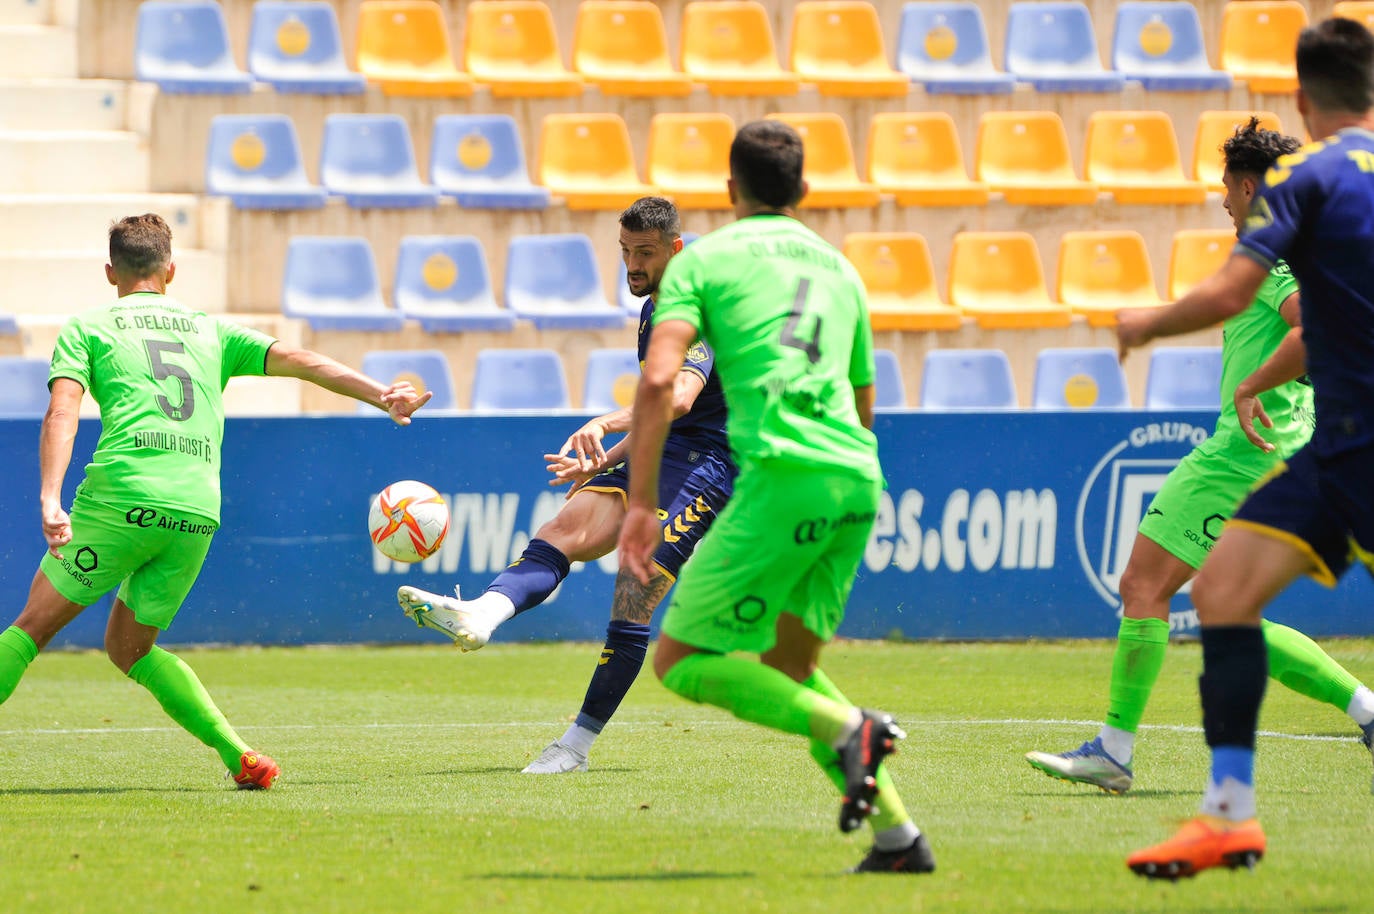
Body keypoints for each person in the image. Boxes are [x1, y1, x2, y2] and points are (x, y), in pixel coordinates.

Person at [0, 213, 430, 790]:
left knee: (31, 627)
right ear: (171, 270)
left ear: (110, 272)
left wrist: (51, 497)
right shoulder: (211, 329)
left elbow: (62, 411)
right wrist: (383, 395)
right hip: (196, 510)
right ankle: (241, 757)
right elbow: (302, 361)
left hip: (121, 498)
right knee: (130, 648)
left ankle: (238, 753)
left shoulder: (88, 326)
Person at [617, 120, 932, 875]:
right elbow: (863, 401)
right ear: (804, 192)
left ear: (730, 191)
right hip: (857, 476)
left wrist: (637, 505)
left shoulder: (706, 261)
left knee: (681, 660)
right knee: (787, 666)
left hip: (781, 476)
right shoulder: (840, 269)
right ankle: (898, 838)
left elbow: (662, 382)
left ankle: (853, 726)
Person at [1025, 118, 1374, 795]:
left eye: (1225, 188)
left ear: (1248, 188)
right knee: (1229, 609)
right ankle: (1367, 709)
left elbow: (1315, 327)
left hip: (1241, 454)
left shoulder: (1271, 260)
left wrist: (1250, 384)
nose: (1221, 201)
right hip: (1288, 448)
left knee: (1142, 587)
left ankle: (1115, 751)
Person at [1117, 18, 1374, 878]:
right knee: (1223, 588)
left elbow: (1240, 291)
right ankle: (1228, 812)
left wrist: (1148, 322)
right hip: (1334, 439)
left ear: (1304, 98)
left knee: (1215, 590)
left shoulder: (1307, 178)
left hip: (1352, 439)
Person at [397, 197, 736, 774]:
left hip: (716, 459)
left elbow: (680, 397)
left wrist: (606, 423)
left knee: (633, 591)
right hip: (668, 445)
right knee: (563, 528)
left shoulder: (695, 301)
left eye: (645, 254)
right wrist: (610, 459)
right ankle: (482, 614)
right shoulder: (659, 299)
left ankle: (575, 747)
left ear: (675, 250)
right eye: (625, 252)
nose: (632, 265)